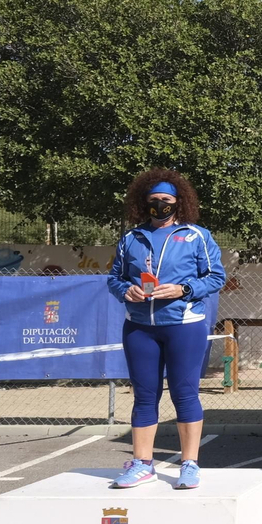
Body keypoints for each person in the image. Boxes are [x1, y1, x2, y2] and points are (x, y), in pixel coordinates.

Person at [106, 169, 226, 490]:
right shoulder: (131, 238)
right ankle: (143, 464)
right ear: (142, 203)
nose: (159, 206)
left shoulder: (197, 236)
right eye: (153, 201)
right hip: (139, 328)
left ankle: (189, 464)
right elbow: (114, 278)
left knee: (185, 394)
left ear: (179, 203)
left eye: (166, 201)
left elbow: (216, 278)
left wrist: (183, 289)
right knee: (145, 396)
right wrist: (125, 291)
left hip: (184, 326)